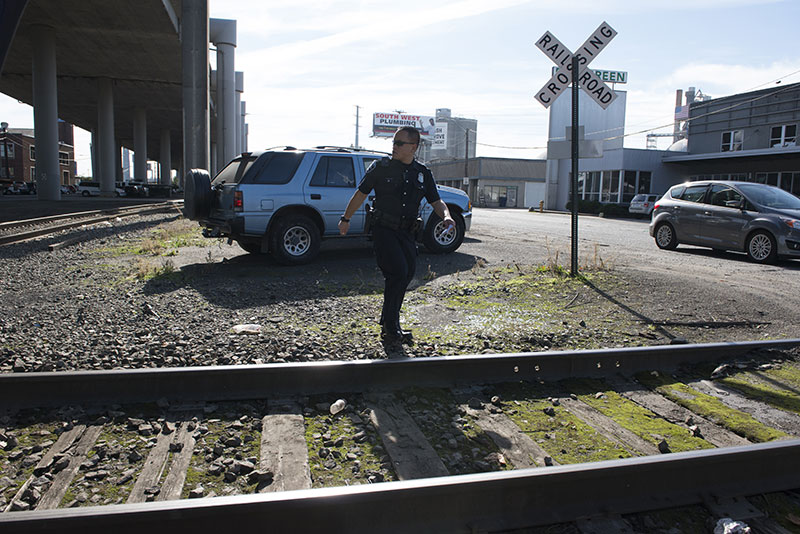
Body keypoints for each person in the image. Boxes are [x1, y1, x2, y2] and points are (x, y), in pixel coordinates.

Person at [338, 126, 455, 343]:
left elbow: (436, 201)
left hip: (407, 233)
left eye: (399, 143)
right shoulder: (381, 168)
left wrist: (446, 216)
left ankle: (389, 321)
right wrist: (345, 219)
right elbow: (360, 193)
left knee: (406, 273)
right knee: (398, 272)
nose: (394, 147)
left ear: (413, 147)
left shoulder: (422, 173)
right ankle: (391, 328)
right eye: (393, 142)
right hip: (384, 230)